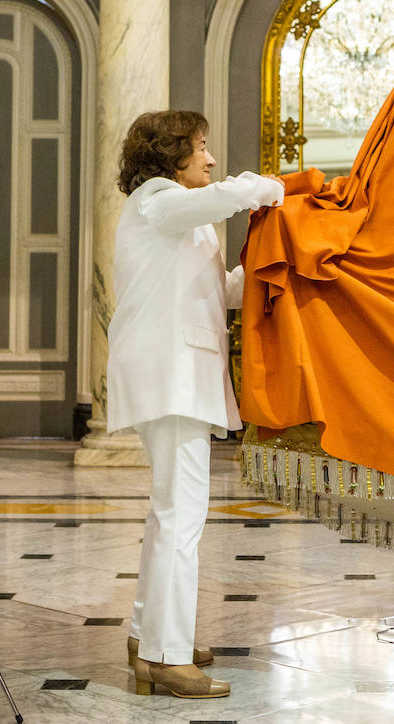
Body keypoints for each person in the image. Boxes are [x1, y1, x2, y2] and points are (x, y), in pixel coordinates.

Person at [107, 109, 283, 700]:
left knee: (170, 515)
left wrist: (259, 275)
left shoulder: (183, 217)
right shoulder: (156, 199)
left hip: (180, 372)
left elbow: (217, 291)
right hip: (170, 374)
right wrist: (264, 188)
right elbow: (220, 199)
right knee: (182, 518)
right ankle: (167, 657)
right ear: (169, 155)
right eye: (201, 147)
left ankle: (148, 636)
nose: (210, 158)